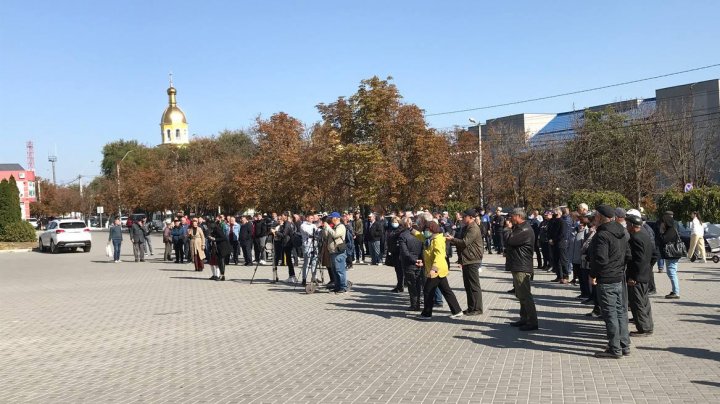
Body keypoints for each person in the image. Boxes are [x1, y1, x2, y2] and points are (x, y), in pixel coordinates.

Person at [588, 204, 630, 359]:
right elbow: (628, 255)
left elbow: (601, 259)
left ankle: (615, 348)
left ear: (600, 217)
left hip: (607, 279)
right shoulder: (622, 231)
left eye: (596, 216)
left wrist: (593, 274)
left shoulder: (602, 235)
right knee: (620, 312)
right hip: (618, 277)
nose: (594, 218)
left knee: (610, 314)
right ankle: (624, 345)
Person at [417, 221, 463, 320]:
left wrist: (434, 269)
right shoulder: (430, 239)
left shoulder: (437, 240)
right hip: (438, 270)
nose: (425, 232)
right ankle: (457, 310)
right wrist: (410, 229)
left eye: (427, 230)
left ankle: (427, 313)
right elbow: (420, 236)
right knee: (446, 291)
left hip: (437, 270)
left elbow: (439, 256)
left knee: (428, 291)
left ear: (432, 230)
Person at [503, 208, 538, 331]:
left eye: (512, 216)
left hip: (522, 266)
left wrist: (507, 229)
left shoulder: (525, 229)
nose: (510, 219)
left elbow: (510, 240)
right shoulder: (520, 228)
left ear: (518, 216)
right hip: (518, 265)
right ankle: (524, 318)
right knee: (520, 295)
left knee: (525, 295)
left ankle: (532, 321)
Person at [446, 208, 484, 316]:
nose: (462, 218)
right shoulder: (466, 227)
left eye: (465, 216)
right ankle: (471, 307)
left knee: (474, 285)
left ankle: (477, 309)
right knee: (468, 285)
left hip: (472, 259)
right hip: (467, 259)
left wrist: (451, 239)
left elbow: (464, 242)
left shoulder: (473, 228)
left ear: (471, 217)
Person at [626, 214, 654, 337]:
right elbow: (654, 255)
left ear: (632, 226)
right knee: (644, 302)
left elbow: (638, 260)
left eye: (627, 224)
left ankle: (643, 328)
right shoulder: (645, 235)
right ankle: (648, 325)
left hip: (637, 277)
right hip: (645, 275)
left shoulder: (635, 238)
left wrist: (633, 277)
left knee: (637, 303)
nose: (626, 226)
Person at [398, 217, 424, 311]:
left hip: (409, 263)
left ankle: (414, 305)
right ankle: (417, 304)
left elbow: (405, 252)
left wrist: (414, 260)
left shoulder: (402, 236)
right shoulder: (418, 234)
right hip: (418, 262)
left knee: (411, 284)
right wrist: (421, 260)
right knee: (417, 283)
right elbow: (422, 248)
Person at [659, 211, 683, 299]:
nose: (662, 223)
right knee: (672, 272)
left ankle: (676, 292)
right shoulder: (672, 228)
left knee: (672, 272)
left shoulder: (670, 230)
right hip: (673, 254)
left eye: (663, 222)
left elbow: (664, 239)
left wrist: (661, 231)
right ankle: (674, 290)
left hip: (672, 254)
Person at [323, 212, 349, 294]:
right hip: (332, 251)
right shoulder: (333, 227)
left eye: (331, 218)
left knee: (340, 270)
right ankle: (337, 286)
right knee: (334, 270)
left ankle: (343, 287)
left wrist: (328, 228)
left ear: (336, 218)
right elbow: (326, 236)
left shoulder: (341, 226)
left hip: (338, 252)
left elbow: (335, 235)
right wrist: (325, 229)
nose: (330, 219)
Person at [386, 217, 403, 292]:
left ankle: (400, 286)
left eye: (396, 222)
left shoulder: (400, 230)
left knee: (400, 270)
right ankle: (399, 285)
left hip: (399, 252)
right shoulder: (391, 230)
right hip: (393, 252)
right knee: (397, 270)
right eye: (393, 222)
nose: (394, 223)